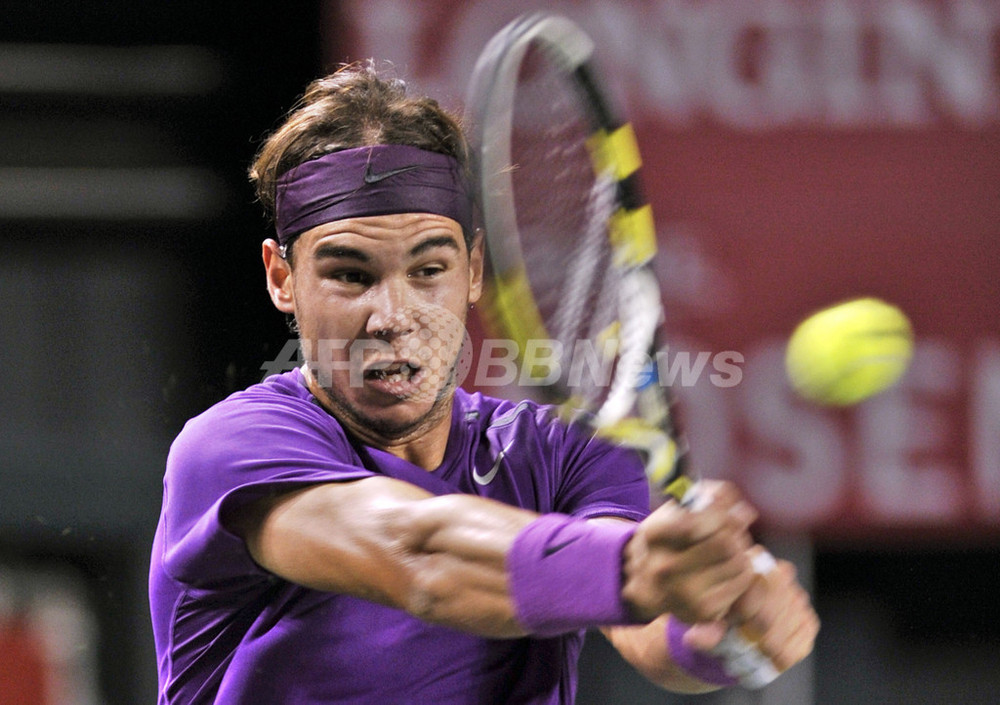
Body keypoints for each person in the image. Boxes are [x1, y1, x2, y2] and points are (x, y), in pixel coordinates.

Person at [149, 62, 818, 704]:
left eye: (428, 269)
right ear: (281, 278)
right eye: (350, 274)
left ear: (473, 269)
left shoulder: (563, 452)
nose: (392, 317)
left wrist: (719, 627)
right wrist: (634, 569)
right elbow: (418, 553)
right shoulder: (230, 451)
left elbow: (648, 627)